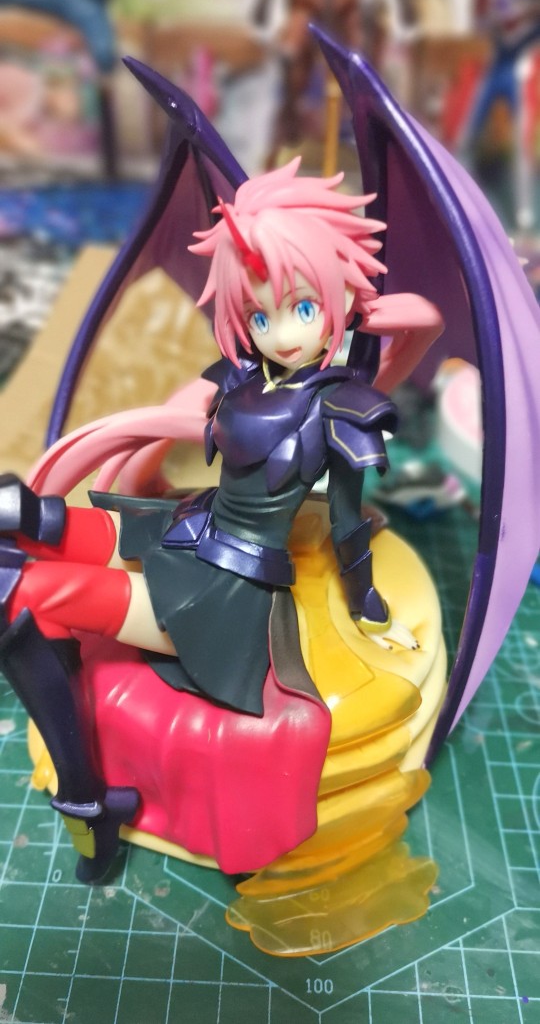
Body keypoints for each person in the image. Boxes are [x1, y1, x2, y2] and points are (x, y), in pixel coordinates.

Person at [0, 157, 442, 876]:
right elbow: (169, 427)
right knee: (28, 518)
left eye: (304, 308)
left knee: (29, 594)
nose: (283, 333)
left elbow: (347, 522)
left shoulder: (342, 407)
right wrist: (143, 444)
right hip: (186, 531)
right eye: (261, 315)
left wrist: (366, 603)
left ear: (338, 298)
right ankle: (83, 763)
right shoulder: (238, 379)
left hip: (227, 597)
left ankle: (87, 801)